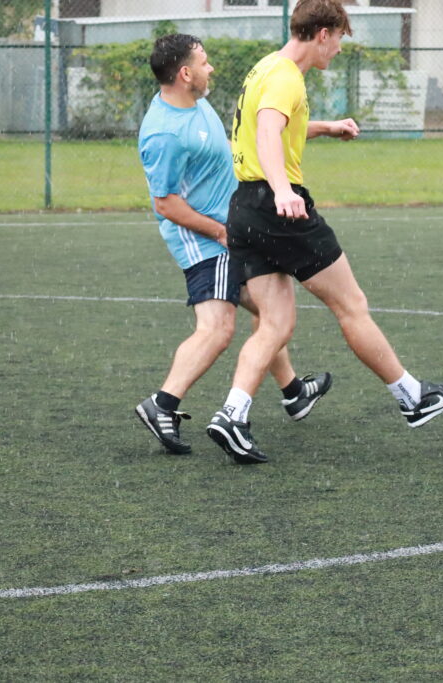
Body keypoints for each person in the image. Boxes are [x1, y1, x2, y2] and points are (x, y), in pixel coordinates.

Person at [205, 0, 443, 465]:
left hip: (245, 208)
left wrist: (326, 128)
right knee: (351, 305)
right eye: (340, 39)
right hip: (277, 207)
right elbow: (267, 133)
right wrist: (283, 189)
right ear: (323, 33)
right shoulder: (287, 76)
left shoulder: (266, 68)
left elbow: (273, 129)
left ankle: (232, 414)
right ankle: (413, 398)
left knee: (275, 324)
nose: (339, 50)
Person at [134, 33, 331, 460]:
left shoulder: (194, 104)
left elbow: (237, 146)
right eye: (204, 63)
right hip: (207, 242)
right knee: (218, 329)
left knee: (268, 311)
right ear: (185, 74)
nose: (211, 69)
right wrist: (219, 232)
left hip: (231, 231)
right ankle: (162, 404)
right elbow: (165, 203)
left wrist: (322, 129)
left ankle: (294, 392)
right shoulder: (164, 134)